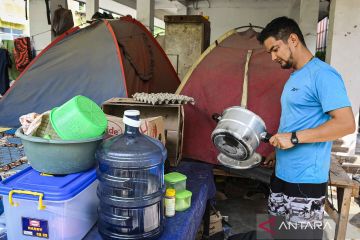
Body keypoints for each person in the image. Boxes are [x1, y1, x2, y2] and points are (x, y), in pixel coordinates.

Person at [257, 16, 355, 238]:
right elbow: (297, 120)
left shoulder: (323, 74)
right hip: (282, 175)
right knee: (276, 234)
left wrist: (293, 138)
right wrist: (277, 150)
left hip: (305, 182)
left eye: (275, 49)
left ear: (292, 39)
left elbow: (346, 123)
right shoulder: (295, 76)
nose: (272, 57)